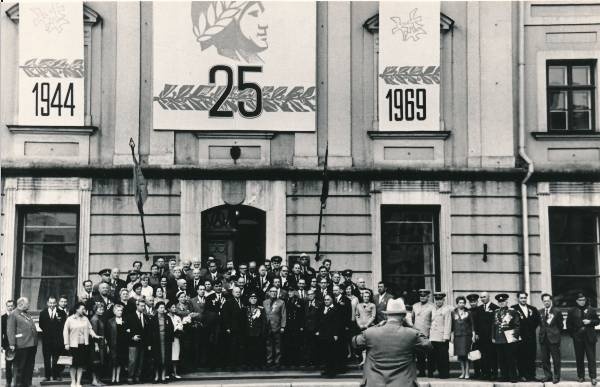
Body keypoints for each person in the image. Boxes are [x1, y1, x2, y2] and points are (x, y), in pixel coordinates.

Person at [352, 298, 433, 386]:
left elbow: (355, 342)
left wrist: (376, 326)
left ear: (386, 316)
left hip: (375, 383)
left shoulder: (370, 333)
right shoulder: (412, 334)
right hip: (403, 383)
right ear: (404, 317)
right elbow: (428, 345)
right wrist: (412, 327)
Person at [63, 302, 101, 387]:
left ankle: (78, 382)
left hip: (83, 345)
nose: (84, 310)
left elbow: (90, 329)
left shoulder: (85, 319)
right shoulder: (70, 319)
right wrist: (66, 343)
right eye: (82, 309)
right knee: (73, 365)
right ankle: (73, 382)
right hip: (73, 345)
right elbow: (65, 332)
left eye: (84, 309)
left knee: (80, 364)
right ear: (77, 309)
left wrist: (95, 335)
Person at [567, 292, 599, 385]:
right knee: (579, 358)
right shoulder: (572, 311)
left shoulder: (591, 309)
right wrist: (574, 335)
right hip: (578, 338)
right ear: (576, 301)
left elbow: (597, 321)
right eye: (580, 300)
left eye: (584, 300)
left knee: (591, 358)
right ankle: (581, 376)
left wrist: (590, 321)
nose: (582, 302)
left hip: (590, 337)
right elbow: (569, 325)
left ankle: (593, 377)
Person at [7, 297, 38, 387]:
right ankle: (19, 384)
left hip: (31, 344)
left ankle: (28, 383)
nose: (28, 305)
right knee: (20, 366)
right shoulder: (14, 314)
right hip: (21, 344)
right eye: (27, 304)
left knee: (29, 366)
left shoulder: (26, 314)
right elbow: (10, 330)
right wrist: (12, 344)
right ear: (21, 304)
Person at [512, 291, 540, 381]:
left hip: (530, 336)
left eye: (524, 298)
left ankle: (531, 375)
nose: (523, 299)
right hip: (519, 337)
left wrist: (530, 329)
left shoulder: (532, 309)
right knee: (521, 356)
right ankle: (522, 375)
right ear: (518, 299)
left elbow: (537, 321)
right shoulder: (513, 309)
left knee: (531, 356)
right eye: (521, 298)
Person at [492, 293, 520, 383]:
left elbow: (517, 325)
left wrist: (514, 336)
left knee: (510, 358)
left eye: (503, 301)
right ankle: (504, 376)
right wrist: (493, 337)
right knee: (501, 359)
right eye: (500, 302)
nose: (501, 303)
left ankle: (513, 377)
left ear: (507, 301)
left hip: (509, 338)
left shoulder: (512, 311)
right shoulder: (496, 312)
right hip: (499, 339)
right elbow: (493, 326)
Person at [39, 296, 67, 382]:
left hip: (57, 340)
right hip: (46, 340)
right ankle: (47, 376)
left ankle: (56, 375)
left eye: (53, 303)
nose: (52, 305)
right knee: (47, 358)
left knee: (56, 358)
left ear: (56, 303)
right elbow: (41, 325)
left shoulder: (61, 313)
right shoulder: (43, 313)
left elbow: (63, 326)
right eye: (50, 303)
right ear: (47, 303)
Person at [315, 294, 343, 377]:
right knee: (325, 353)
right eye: (325, 300)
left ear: (332, 300)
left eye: (328, 299)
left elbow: (337, 323)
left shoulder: (335, 309)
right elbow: (320, 321)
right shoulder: (322, 308)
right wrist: (318, 331)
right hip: (323, 334)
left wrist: (335, 334)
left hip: (331, 335)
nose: (326, 301)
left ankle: (332, 371)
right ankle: (326, 370)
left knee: (332, 353)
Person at [474, 291, 499, 380]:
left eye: (484, 297)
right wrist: (476, 333)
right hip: (482, 337)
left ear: (489, 297)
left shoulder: (495, 308)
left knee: (493, 355)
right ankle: (485, 373)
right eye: (481, 297)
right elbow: (476, 322)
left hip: (491, 336)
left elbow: (496, 323)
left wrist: (495, 336)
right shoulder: (479, 308)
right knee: (483, 355)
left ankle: (494, 373)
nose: (482, 299)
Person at [539, 293, 563, 384]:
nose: (546, 302)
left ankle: (556, 376)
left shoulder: (556, 311)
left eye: (548, 301)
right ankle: (548, 375)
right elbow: (540, 325)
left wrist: (555, 333)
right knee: (545, 359)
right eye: (544, 301)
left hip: (554, 338)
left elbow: (560, 325)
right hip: (543, 338)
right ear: (542, 302)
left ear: (551, 301)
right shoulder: (540, 312)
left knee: (556, 359)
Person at [149, 301, 174, 383]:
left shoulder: (167, 318)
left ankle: (163, 377)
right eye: (161, 308)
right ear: (157, 309)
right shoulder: (153, 319)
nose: (163, 309)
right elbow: (149, 331)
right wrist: (150, 343)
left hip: (165, 341)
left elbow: (171, 329)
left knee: (165, 359)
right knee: (156, 359)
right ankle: (156, 377)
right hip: (156, 341)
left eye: (164, 307)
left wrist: (170, 340)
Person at [412, 289, 435, 377]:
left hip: (428, 333)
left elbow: (433, 320)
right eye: (421, 296)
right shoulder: (415, 306)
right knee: (419, 354)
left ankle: (430, 372)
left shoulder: (432, 306)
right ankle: (421, 371)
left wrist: (431, 332)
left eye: (424, 296)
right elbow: (413, 319)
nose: (422, 297)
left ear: (428, 297)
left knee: (430, 354)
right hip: (417, 333)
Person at [126, 299, 150, 384]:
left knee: (140, 361)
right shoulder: (130, 316)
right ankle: (130, 377)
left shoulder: (146, 317)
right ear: (137, 306)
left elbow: (147, 331)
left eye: (144, 306)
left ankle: (137, 377)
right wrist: (132, 337)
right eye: (141, 306)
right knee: (132, 361)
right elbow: (125, 330)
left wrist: (148, 343)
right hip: (133, 342)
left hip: (142, 342)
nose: (143, 308)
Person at [221, 287, 246, 368]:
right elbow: (225, 316)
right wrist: (227, 327)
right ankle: (232, 364)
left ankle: (239, 363)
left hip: (241, 328)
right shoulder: (228, 302)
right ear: (232, 293)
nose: (238, 293)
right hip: (232, 328)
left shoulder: (243, 301)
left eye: (239, 292)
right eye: (236, 292)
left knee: (240, 345)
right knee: (232, 346)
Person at [451, 296, 475, 379]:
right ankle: (462, 372)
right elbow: (452, 325)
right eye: (460, 302)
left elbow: (472, 324)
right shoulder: (453, 312)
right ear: (457, 303)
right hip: (457, 336)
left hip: (466, 336)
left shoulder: (468, 312)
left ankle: (467, 373)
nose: (461, 304)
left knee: (466, 355)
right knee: (460, 356)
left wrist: (473, 334)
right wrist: (451, 335)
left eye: (463, 303)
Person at [263, 286, 286, 368]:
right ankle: (269, 361)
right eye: (272, 291)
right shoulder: (265, 302)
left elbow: (283, 315)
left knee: (277, 345)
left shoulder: (281, 302)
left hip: (277, 326)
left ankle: (277, 361)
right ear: (269, 293)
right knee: (268, 345)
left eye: (275, 291)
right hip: (267, 327)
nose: (273, 293)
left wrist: (283, 326)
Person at [429, 292, 451, 379]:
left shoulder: (446, 310)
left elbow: (448, 324)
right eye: (437, 300)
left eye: (440, 300)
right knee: (434, 356)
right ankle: (435, 372)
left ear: (443, 300)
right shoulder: (433, 309)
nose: (438, 301)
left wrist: (446, 336)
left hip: (442, 337)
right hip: (433, 336)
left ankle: (444, 374)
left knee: (443, 356)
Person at [245, 292, 268, 368]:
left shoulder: (261, 309)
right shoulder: (245, 309)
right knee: (249, 348)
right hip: (248, 332)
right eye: (251, 298)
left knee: (258, 349)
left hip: (258, 332)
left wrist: (263, 332)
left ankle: (258, 364)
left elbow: (264, 322)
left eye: (255, 298)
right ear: (249, 299)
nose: (253, 300)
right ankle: (250, 363)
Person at [106, 304, 128, 385]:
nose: (120, 312)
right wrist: (108, 345)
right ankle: (113, 378)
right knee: (113, 361)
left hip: (122, 344)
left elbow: (126, 332)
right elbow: (108, 334)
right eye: (118, 310)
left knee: (120, 361)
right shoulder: (110, 321)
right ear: (114, 311)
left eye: (121, 310)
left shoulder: (125, 320)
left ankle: (117, 378)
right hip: (113, 344)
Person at [283, 289, 304, 366]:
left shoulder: (299, 301)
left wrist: (301, 326)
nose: (289, 293)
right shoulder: (286, 300)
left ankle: (296, 361)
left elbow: (302, 314)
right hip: (288, 325)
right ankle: (289, 361)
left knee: (296, 343)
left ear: (295, 292)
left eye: (291, 291)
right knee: (288, 343)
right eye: (289, 291)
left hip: (296, 325)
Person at [355, 290, 376, 366]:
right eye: (365, 296)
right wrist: (359, 324)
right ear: (362, 297)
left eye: (367, 296)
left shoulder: (372, 305)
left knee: (369, 343)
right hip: (361, 326)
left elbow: (373, 316)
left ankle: (370, 360)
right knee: (362, 343)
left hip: (369, 326)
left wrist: (367, 324)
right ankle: (363, 360)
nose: (366, 298)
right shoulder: (358, 305)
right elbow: (357, 315)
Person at [89, 303, 107, 387]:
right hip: (96, 345)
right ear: (95, 310)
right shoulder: (94, 319)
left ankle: (98, 380)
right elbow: (94, 334)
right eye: (100, 309)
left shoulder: (99, 318)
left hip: (101, 343)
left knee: (99, 363)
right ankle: (94, 380)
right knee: (95, 363)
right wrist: (96, 345)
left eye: (103, 309)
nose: (102, 311)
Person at [466, 293, 482, 379]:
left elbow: (480, 324)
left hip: (479, 336)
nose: (473, 303)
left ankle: (482, 372)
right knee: (474, 354)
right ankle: (477, 372)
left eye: (474, 302)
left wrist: (477, 333)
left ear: (477, 301)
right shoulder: (468, 311)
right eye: (471, 302)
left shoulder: (481, 310)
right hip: (470, 335)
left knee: (481, 354)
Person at [303, 290, 321, 366]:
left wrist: (319, 329)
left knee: (315, 345)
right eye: (308, 294)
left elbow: (320, 318)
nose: (310, 296)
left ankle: (316, 361)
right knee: (307, 345)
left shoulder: (319, 304)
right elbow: (303, 316)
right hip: (307, 328)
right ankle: (308, 361)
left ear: (314, 295)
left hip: (315, 328)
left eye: (311, 294)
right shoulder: (305, 303)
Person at [167, 302, 184, 378]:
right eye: (172, 307)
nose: (174, 308)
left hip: (176, 338)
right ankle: (167, 373)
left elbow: (181, 326)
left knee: (175, 355)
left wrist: (179, 330)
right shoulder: (166, 317)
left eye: (175, 307)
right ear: (168, 309)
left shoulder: (177, 317)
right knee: (168, 355)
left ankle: (175, 372)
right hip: (168, 339)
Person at [2, 300, 15, 387]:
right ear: (6, 307)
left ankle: (17, 382)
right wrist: (1, 345)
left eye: (11, 306)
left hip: (17, 344)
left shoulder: (16, 317)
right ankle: (8, 382)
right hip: (7, 344)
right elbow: (1, 333)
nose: (10, 307)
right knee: (8, 364)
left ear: (14, 306)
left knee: (17, 364)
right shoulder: (3, 318)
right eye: (8, 306)